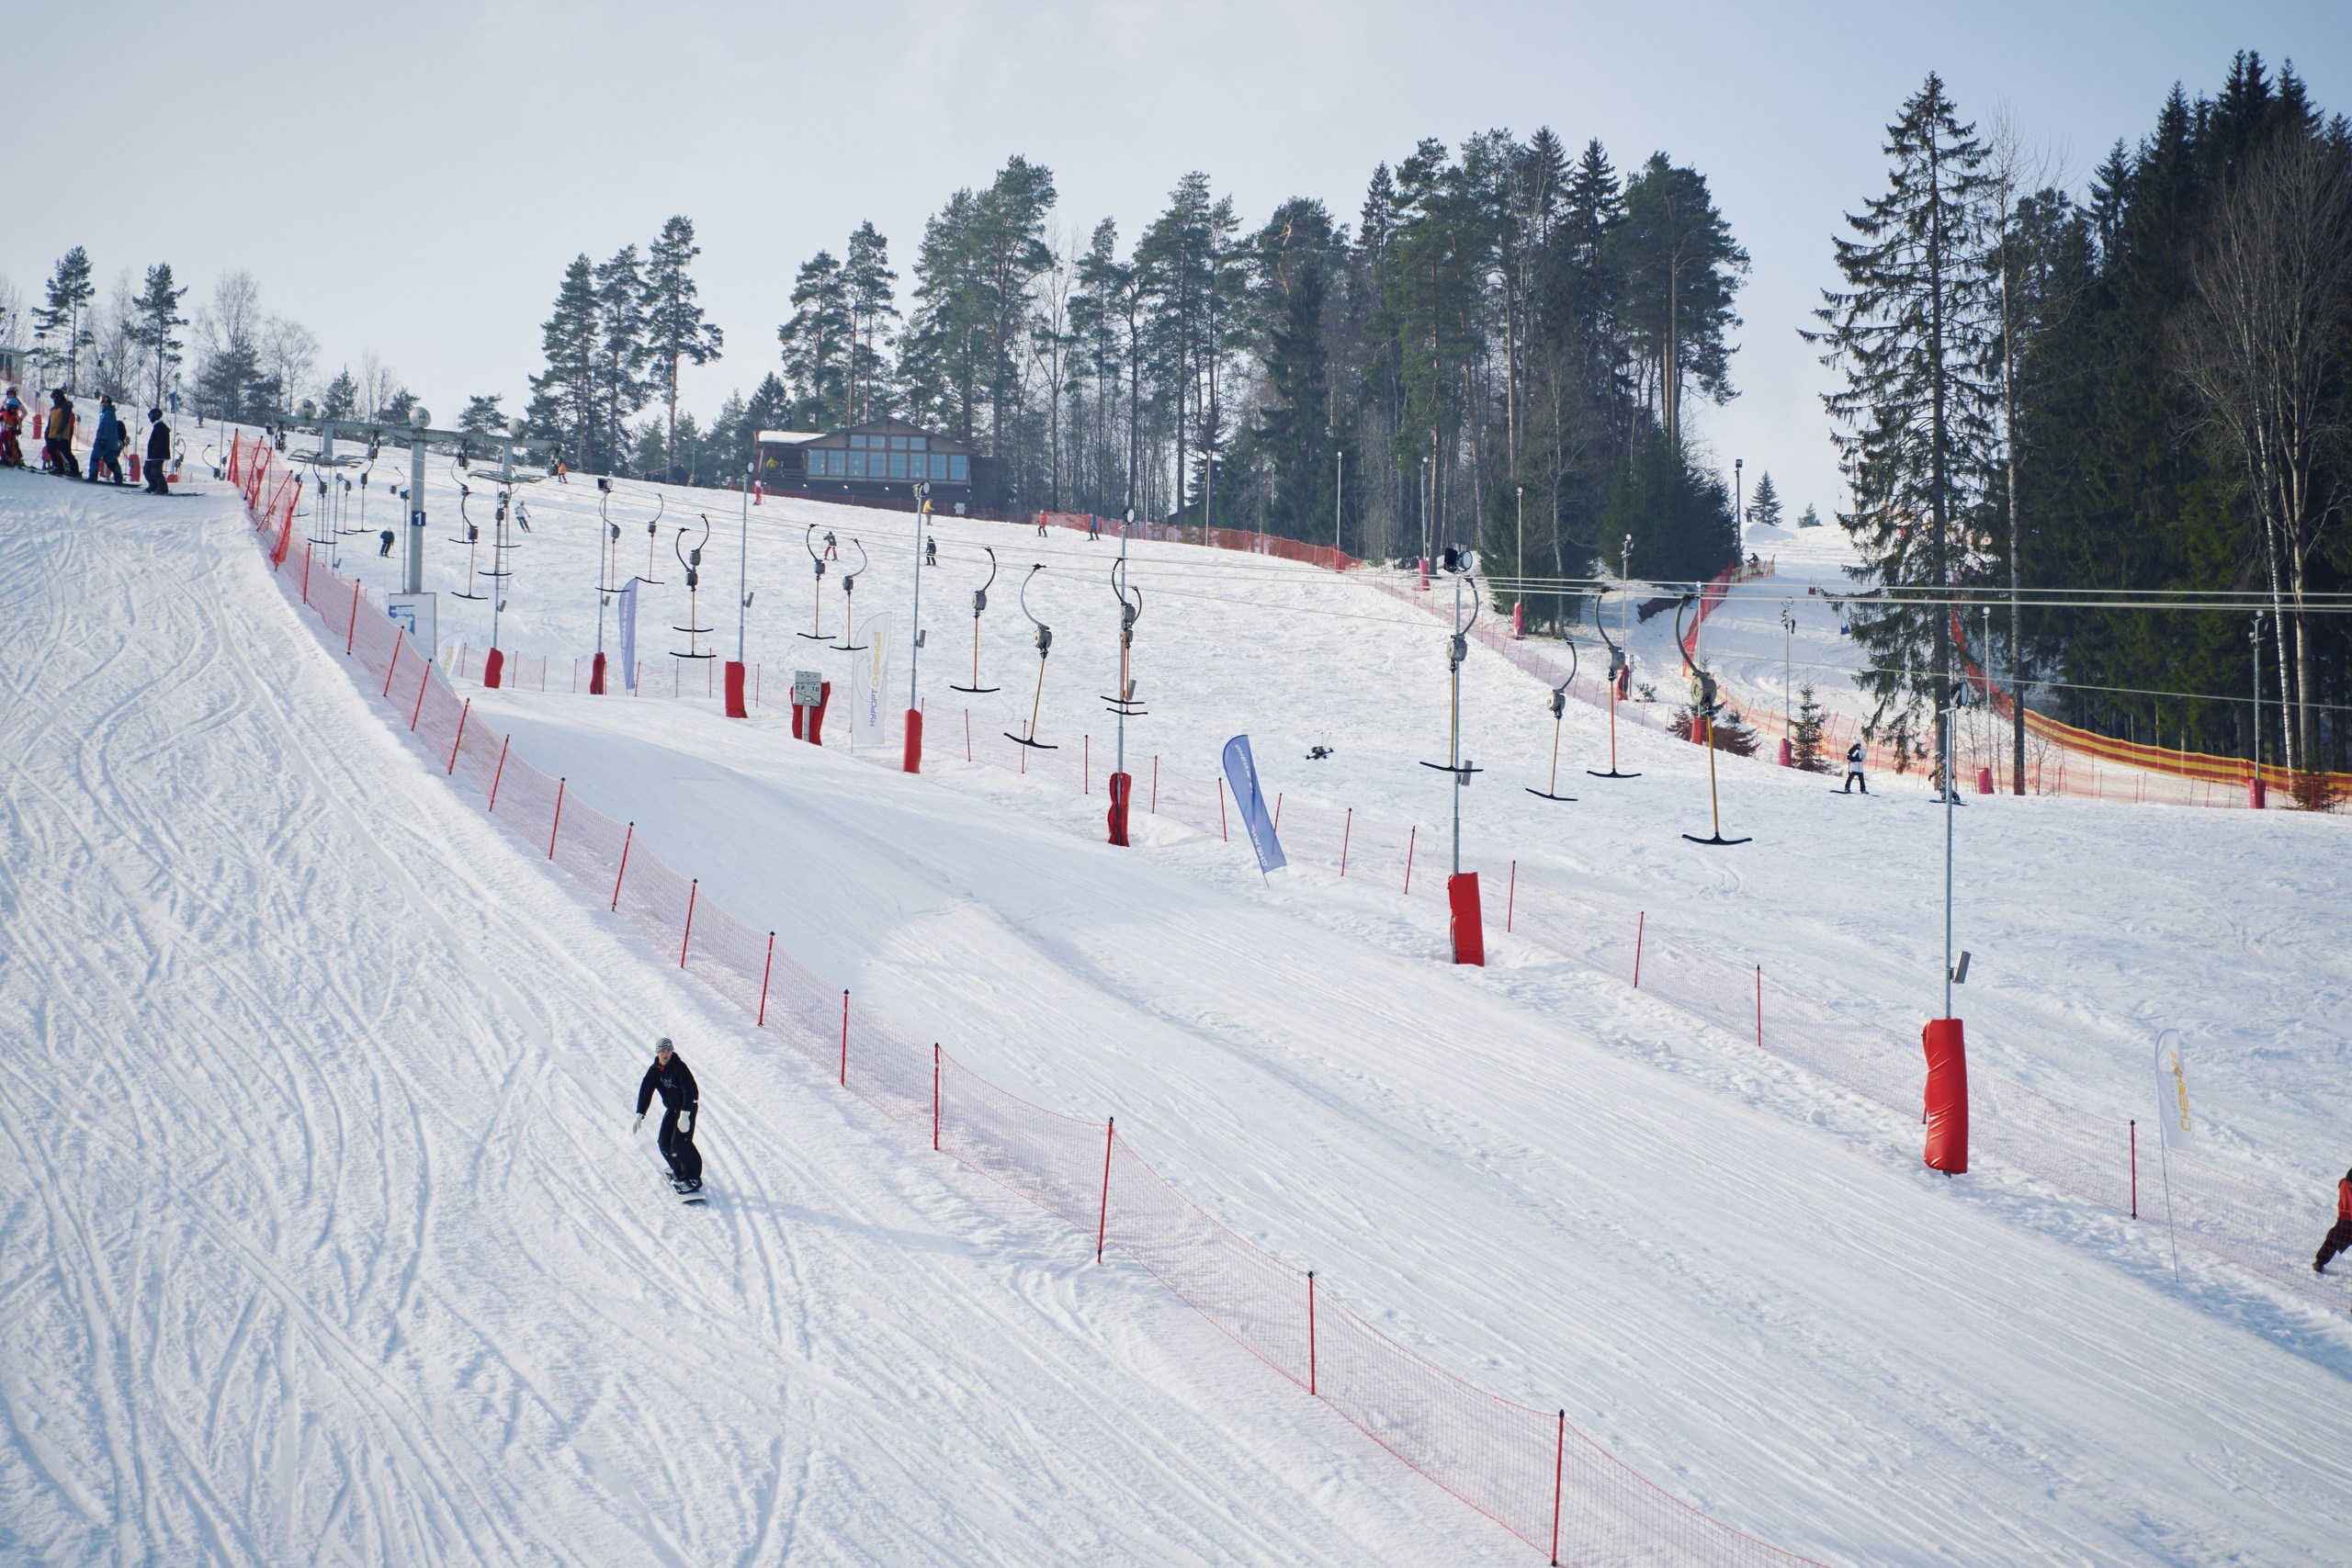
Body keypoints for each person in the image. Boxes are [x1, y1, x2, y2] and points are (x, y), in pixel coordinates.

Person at [632, 1036, 703, 1192]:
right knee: (663, 1142)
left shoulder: (679, 1068)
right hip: (673, 1109)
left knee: (680, 1142)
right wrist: (640, 1113)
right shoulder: (655, 1071)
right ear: (657, 1052)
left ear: (672, 1051)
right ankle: (680, 1171)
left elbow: (689, 1091)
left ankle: (693, 1177)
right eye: (662, 1050)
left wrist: (685, 1115)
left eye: (669, 1050)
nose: (666, 1053)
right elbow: (646, 1091)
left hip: (687, 1108)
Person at [2315, 1168, 2352, 1274]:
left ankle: (2320, 1262)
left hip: (2344, 1221)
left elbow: (2341, 1182)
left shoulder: (2343, 1184)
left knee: (2332, 1241)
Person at [87, 395, 126, 484]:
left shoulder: (108, 413)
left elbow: (107, 428)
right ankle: (118, 477)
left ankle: (93, 475)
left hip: (104, 442)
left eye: (104, 402)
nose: (102, 404)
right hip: (111, 443)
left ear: (108, 403)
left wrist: (103, 440)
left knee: (94, 457)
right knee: (110, 460)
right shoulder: (108, 413)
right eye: (102, 402)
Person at [43, 389, 79, 477]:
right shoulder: (53, 409)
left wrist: (59, 432)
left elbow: (65, 420)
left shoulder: (66, 407)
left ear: (58, 397)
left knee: (65, 452)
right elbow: (50, 422)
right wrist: (46, 433)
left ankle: (74, 470)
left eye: (54, 397)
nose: (53, 399)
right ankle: (59, 467)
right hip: (52, 433)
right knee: (50, 449)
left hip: (62, 434)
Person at [143, 409, 173, 494]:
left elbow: (159, 441)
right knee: (147, 471)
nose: (150, 418)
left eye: (150, 416)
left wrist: (155, 451)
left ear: (155, 416)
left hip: (157, 455)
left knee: (156, 472)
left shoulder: (160, 427)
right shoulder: (157, 426)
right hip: (152, 455)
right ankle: (153, 486)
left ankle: (163, 488)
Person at [0, 387, 23, 468]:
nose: (13, 410)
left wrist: (18, 430)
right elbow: (1, 414)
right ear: (8, 406)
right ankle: (3, 458)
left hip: (10, 432)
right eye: (12, 408)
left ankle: (16, 458)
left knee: (11, 445)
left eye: (15, 409)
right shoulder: (4, 412)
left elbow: (19, 424)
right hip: (3, 431)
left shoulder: (16, 416)